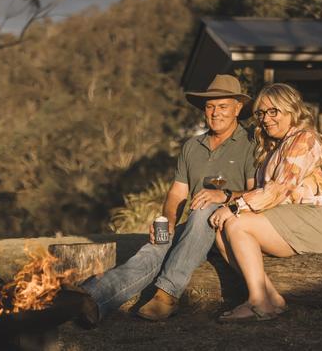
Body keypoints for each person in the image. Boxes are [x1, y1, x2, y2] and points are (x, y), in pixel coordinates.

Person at [76, 74, 256, 327]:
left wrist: (224, 196)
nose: (216, 113)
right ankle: (96, 298)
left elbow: (255, 193)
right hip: (196, 228)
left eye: (223, 106)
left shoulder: (250, 144)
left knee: (206, 209)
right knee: (156, 245)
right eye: (210, 106)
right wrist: (169, 221)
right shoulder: (192, 146)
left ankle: (168, 294)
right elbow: (176, 194)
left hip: (231, 231)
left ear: (238, 108)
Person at [208, 83, 322, 322]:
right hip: (288, 217)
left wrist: (233, 208)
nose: (265, 119)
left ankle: (257, 302)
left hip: (317, 220)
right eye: (261, 113)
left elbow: (276, 191)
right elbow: (261, 191)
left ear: (292, 110)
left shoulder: (304, 139)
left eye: (273, 112)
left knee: (237, 224)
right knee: (221, 231)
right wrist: (227, 197)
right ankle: (271, 299)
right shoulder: (273, 147)